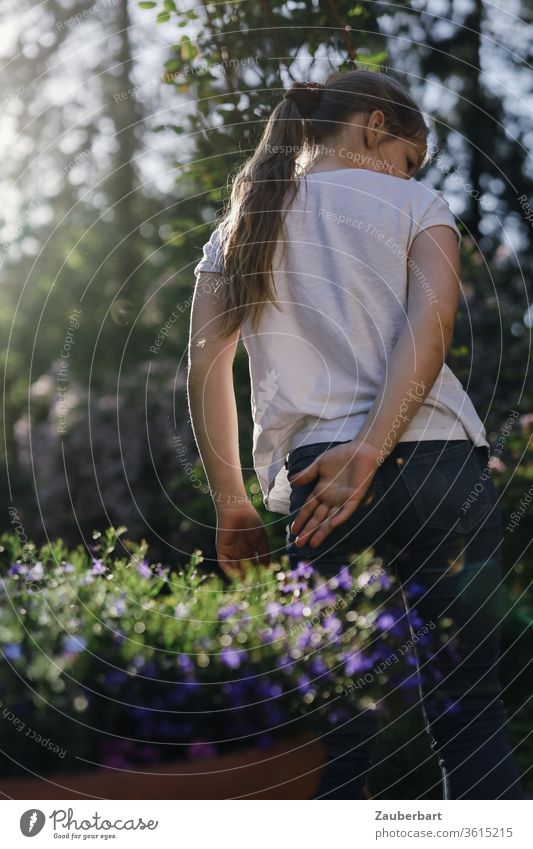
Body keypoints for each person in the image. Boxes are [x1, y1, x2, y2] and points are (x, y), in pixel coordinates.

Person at [187, 68, 524, 800]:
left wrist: (232, 502)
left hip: (319, 488)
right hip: (445, 473)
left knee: (337, 729)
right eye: (409, 154)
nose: (408, 173)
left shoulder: (241, 223)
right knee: (470, 717)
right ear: (375, 127)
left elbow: (205, 369)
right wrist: (374, 445)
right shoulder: (415, 203)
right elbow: (430, 325)